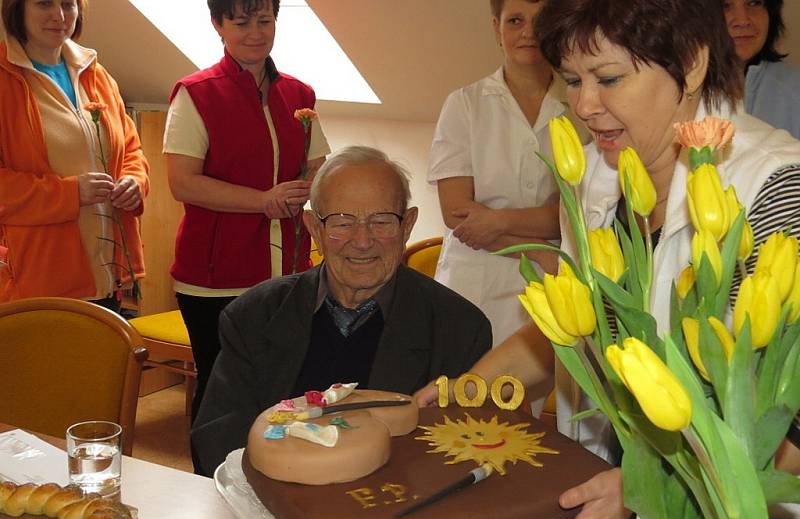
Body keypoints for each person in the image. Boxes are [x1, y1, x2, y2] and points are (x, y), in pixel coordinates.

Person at [418, 0, 800, 519]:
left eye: (609, 78)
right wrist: (465, 390)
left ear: (691, 65)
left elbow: (786, 418)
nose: (583, 105)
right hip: (608, 484)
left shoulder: (772, 187)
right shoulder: (597, 175)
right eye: (571, 80)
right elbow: (574, 331)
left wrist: (643, 487)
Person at [191, 146, 493, 477]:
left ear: (407, 225)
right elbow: (216, 439)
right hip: (269, 505)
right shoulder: (255, 315)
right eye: (341, 222)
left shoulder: (460, 329)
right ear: (313, 227)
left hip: (389, 515)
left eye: (381, 221)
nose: (362, 240)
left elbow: (458, 459)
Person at [163, 0, 329, 425]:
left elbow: (317, 166)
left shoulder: (298, 93)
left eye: (264, 20)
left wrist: (312, 184)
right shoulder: (196, 93)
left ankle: (272, 479)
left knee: (283, 385)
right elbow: (183, 182)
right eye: (241, 22)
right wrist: (263, 200)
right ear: (218, 24)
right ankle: (208, 484)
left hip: (287, 269)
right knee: (223, 390)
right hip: (217, 276)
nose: (255, 32)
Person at [428, 0, 579, 349]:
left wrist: (495, 220)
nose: (528, 32)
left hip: (550, 285)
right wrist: (539, 251)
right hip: (474, 280)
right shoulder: (464, 104)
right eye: (515, 21)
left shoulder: (581, 105)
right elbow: (457, 214)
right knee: (460, 394)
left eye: (540, 21)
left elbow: (576, 215)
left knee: (530, 398)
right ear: (497, 28)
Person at [0, 0, 148, 309]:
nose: (60, 15)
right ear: (17, 9)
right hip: (39, 279)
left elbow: (131, 149)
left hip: (109, 274)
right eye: (44, 4)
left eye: (69, 4)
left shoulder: (98, 74)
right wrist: (70, 193)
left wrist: (134, 182)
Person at [723, 0, 800, 139]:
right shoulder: (674, 93)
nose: (742, 20)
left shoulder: (795, 88)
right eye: (724, 6)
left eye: (754, 3)